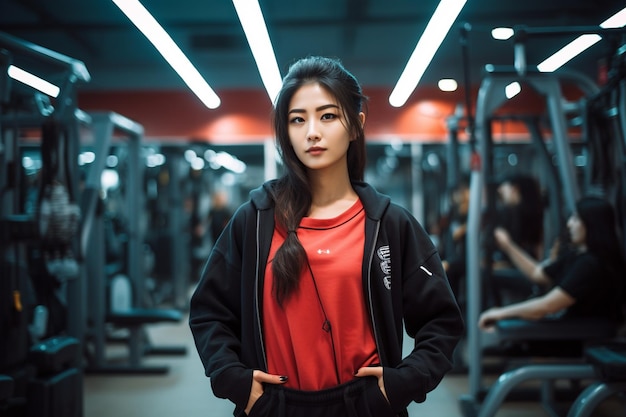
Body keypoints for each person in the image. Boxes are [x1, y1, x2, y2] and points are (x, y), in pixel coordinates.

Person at [189, 56, 464, 417]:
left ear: (355, 125)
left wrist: (400, 385)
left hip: (365, 405)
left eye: (328, 116)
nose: (312, 131)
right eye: (297, 119)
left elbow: (441, 322)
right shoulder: (253, 221)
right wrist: (233, 379)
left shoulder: (390, 225)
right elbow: (210, 312)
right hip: (275, 406)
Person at [479, 196, 625, 338]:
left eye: (576, 219)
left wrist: (500, 313)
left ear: (591, 224)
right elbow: (537, 273)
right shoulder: (576, 256)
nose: (569, 224)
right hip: (572, 328)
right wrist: (508, 245)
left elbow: (547, 306)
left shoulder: (590, 264)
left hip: (582, 336)